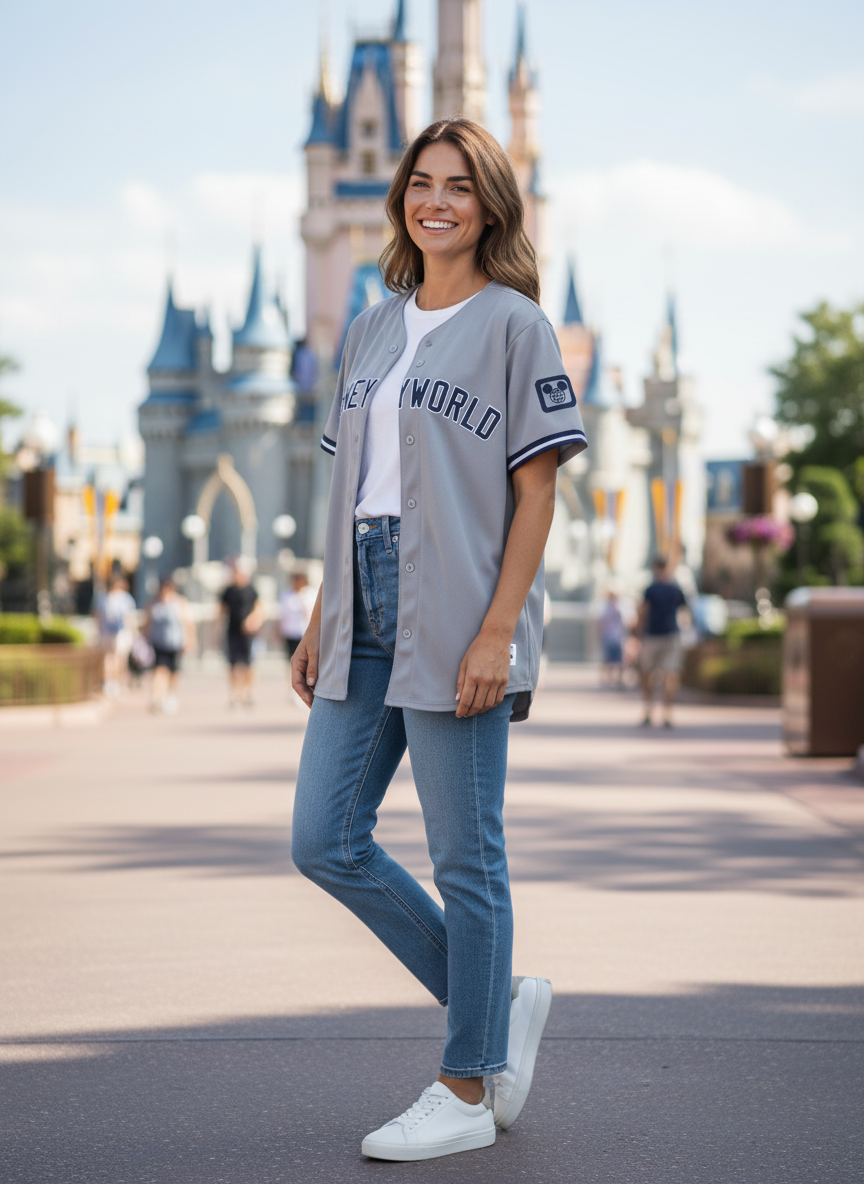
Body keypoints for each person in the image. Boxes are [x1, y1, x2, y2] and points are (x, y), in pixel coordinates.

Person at [289, 117, 587, 1162]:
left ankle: (466, 1083)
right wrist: (328, 605)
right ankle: (495, 1002)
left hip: (460, 600)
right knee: (323, 838)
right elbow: (351, 482)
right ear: (401, 198)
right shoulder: (372, 328)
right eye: (423, 183)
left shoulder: (516, 324)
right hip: (364, 600)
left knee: (469, 859)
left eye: (462, 186)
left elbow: (536, 490)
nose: (439, 201)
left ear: (490, 205)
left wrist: (497, 629)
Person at [635, 555, 688, 727]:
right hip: (671, 635)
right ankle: (666, 713)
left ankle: (649, 710)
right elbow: (685, 614)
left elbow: (642, 613)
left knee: (648, 674)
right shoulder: (676, 589)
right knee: (669, 675)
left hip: (653, 636)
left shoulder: (651, 589)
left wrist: (637, 634)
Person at [144, 577, 192, 713]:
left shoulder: (180, 602)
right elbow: (147, 622)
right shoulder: (154, 603)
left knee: (174, 672)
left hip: (175, 642)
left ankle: (170, 695)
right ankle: (157, 697)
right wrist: (144, 638)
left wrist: (189, 639)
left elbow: (187, 623)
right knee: (159, 670)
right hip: (158, 642)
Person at [219, 559, 264, 707]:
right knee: (233, 664)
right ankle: (235, 693)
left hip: (249, 634)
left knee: (249, 664)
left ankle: (249, 692)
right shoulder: (228, 590)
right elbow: (221, 610)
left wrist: (253, 621)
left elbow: (260, 609)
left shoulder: (251, 589)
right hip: (232, 631)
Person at [97, 573, 137, 698]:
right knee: (116, 659)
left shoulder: (103, 598)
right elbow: (130, 618)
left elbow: (97, 616)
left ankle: (112, 683)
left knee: (112, 659)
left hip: (110, 633)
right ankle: (114, 683)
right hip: (117, 633)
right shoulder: (122, 598)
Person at [279, 572, 317, 665]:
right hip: (290, 631)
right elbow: (282, 613)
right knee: (291, 658)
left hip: (305, 631)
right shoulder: (287, 594)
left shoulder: (310, 594)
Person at [599, 589, 627, 688]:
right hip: (609, 636)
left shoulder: (621, 606)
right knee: (608, 660)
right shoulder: (605, 607)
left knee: (621, 660)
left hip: (619, 636)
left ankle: (619, 680)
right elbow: (602, 622)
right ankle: (608, 680)